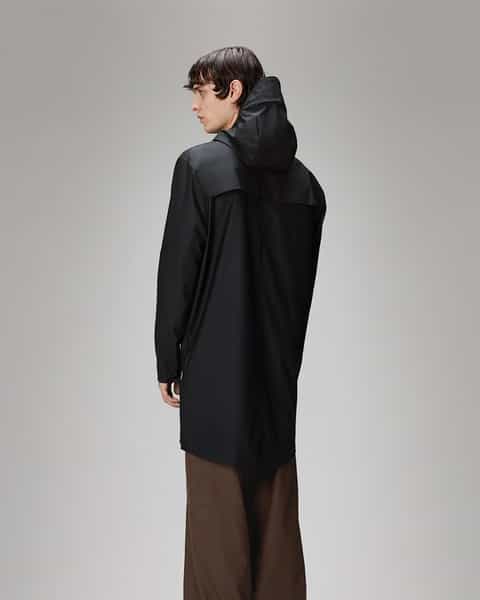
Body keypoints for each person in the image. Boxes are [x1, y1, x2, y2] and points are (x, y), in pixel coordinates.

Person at [154, 46, 326, 599]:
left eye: (201, 91)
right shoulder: (307, 186)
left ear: (233, 91)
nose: (195, 105)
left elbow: (178, 271)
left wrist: (168, 357)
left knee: (217, 533)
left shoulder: (200, 167)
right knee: (276, 535)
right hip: (277, 378)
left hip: (213, 378)